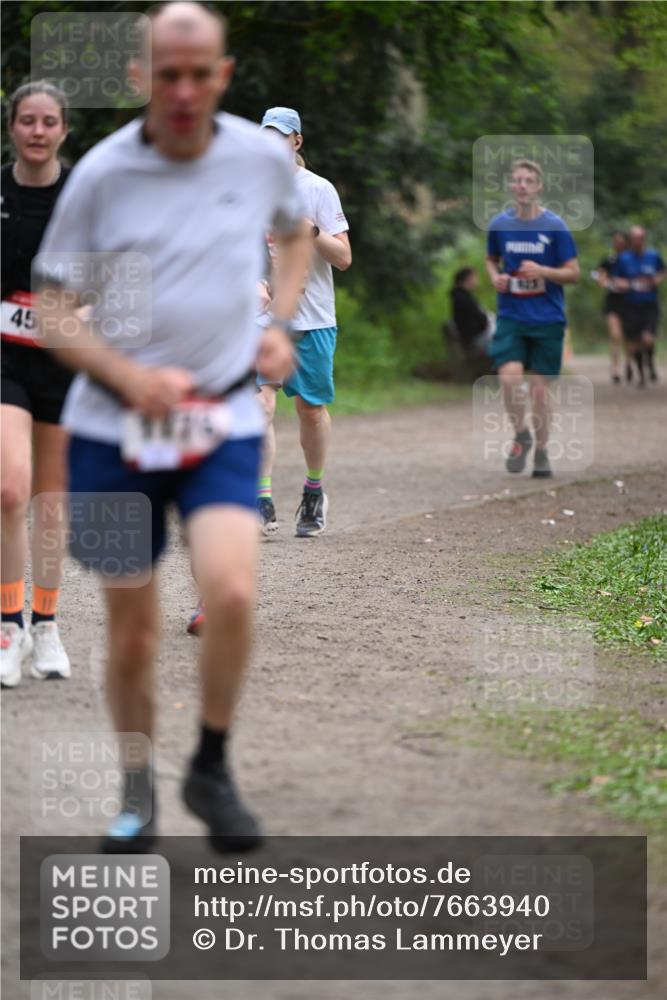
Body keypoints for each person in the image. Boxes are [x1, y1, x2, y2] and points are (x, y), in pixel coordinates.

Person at [36, 1, 310, 851]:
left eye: (200, 73)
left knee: (230, 592)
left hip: (222, 411)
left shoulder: (260, 158)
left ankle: (211, 765)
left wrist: (280, 323)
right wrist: (128, 376)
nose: (184, 90)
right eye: (167, 74)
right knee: (133, 633)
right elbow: (54, 310)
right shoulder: (106, 175)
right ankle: (135, 790)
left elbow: (297, 236)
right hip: (115, 431)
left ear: (222, 76)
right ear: (139, 78)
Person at [1, 81, 73, 689]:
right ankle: (7, 627)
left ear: (64, 131)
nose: (38, 131)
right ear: (12, 128)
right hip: (4, 361)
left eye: (49, 121)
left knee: (50, 503)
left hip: (65, 364)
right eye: (27, 120)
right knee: (8, 488)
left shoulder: (83, 197)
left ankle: (45, 626)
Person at [256, 106, 351, 537]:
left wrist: (313, 233)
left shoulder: (319, 189)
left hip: (312, 319)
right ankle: (261, 500)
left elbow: (344, 259)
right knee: (258, 405)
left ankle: (314, 490)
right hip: (261, 317)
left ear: (296, 142)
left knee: (310, 411)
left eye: (280, 137)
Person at [485, 158, 580, 478]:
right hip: (512, 314)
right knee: (508, 378)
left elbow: (574, 273)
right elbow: (490, 259)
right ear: (512, 186)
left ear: (539, 187)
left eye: (528, 180)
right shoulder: (500, 225)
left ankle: (541, 451)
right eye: (517, 180)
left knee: (540, 390)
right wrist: (494, 276)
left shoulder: (555, 227)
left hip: (548, 319)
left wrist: (543, 271)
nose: (522, 185)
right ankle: (522, 435)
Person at [614, 225, 665, 387]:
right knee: (634, 342)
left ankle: (649, 361)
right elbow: (615, 278)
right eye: (634, 238)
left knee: (648, 338)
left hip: (649, 304)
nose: (637, 241)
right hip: (630, 305)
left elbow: (662, 271)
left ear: (644, 239)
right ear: (631, 240)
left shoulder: (653, 256)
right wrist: (624, 284)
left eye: (640, 238)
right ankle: (641, 374)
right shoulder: (624, 259)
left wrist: (657, 279)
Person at [596, 230, 628, 384]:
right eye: (616, 242)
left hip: (632, 301)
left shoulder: (632, 259)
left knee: (630, 336)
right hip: (613, 302)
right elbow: (600, 279)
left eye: (621, 242)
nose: (618, 245)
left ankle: (630, 363)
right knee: (615, 335)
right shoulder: (608, 260)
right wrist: (606, 282)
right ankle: (615, 367)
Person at [449, 267, 495, 357]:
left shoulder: (462, 297)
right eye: (475, 277)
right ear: (468, 279)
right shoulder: (463, 299)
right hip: (476, 341)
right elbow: (481, 321)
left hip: (476, 338)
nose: (477, 280)